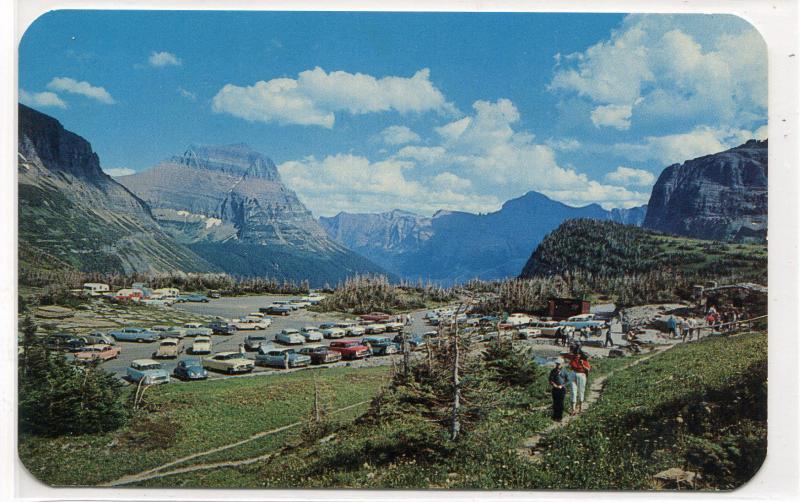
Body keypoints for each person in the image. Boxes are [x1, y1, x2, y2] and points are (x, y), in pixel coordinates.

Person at [564, 344, 591, 415]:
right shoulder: (573, 358)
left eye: (578, 354)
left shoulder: (584, 360)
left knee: (581, 391)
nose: (576, 355)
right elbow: (566, 356)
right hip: (573, 374)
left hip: (581, 375)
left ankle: (580, 408)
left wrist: (582, 365)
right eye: (575, 354)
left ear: (580, 354)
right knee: (573, 391)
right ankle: (573, 409)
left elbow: (588, 369)